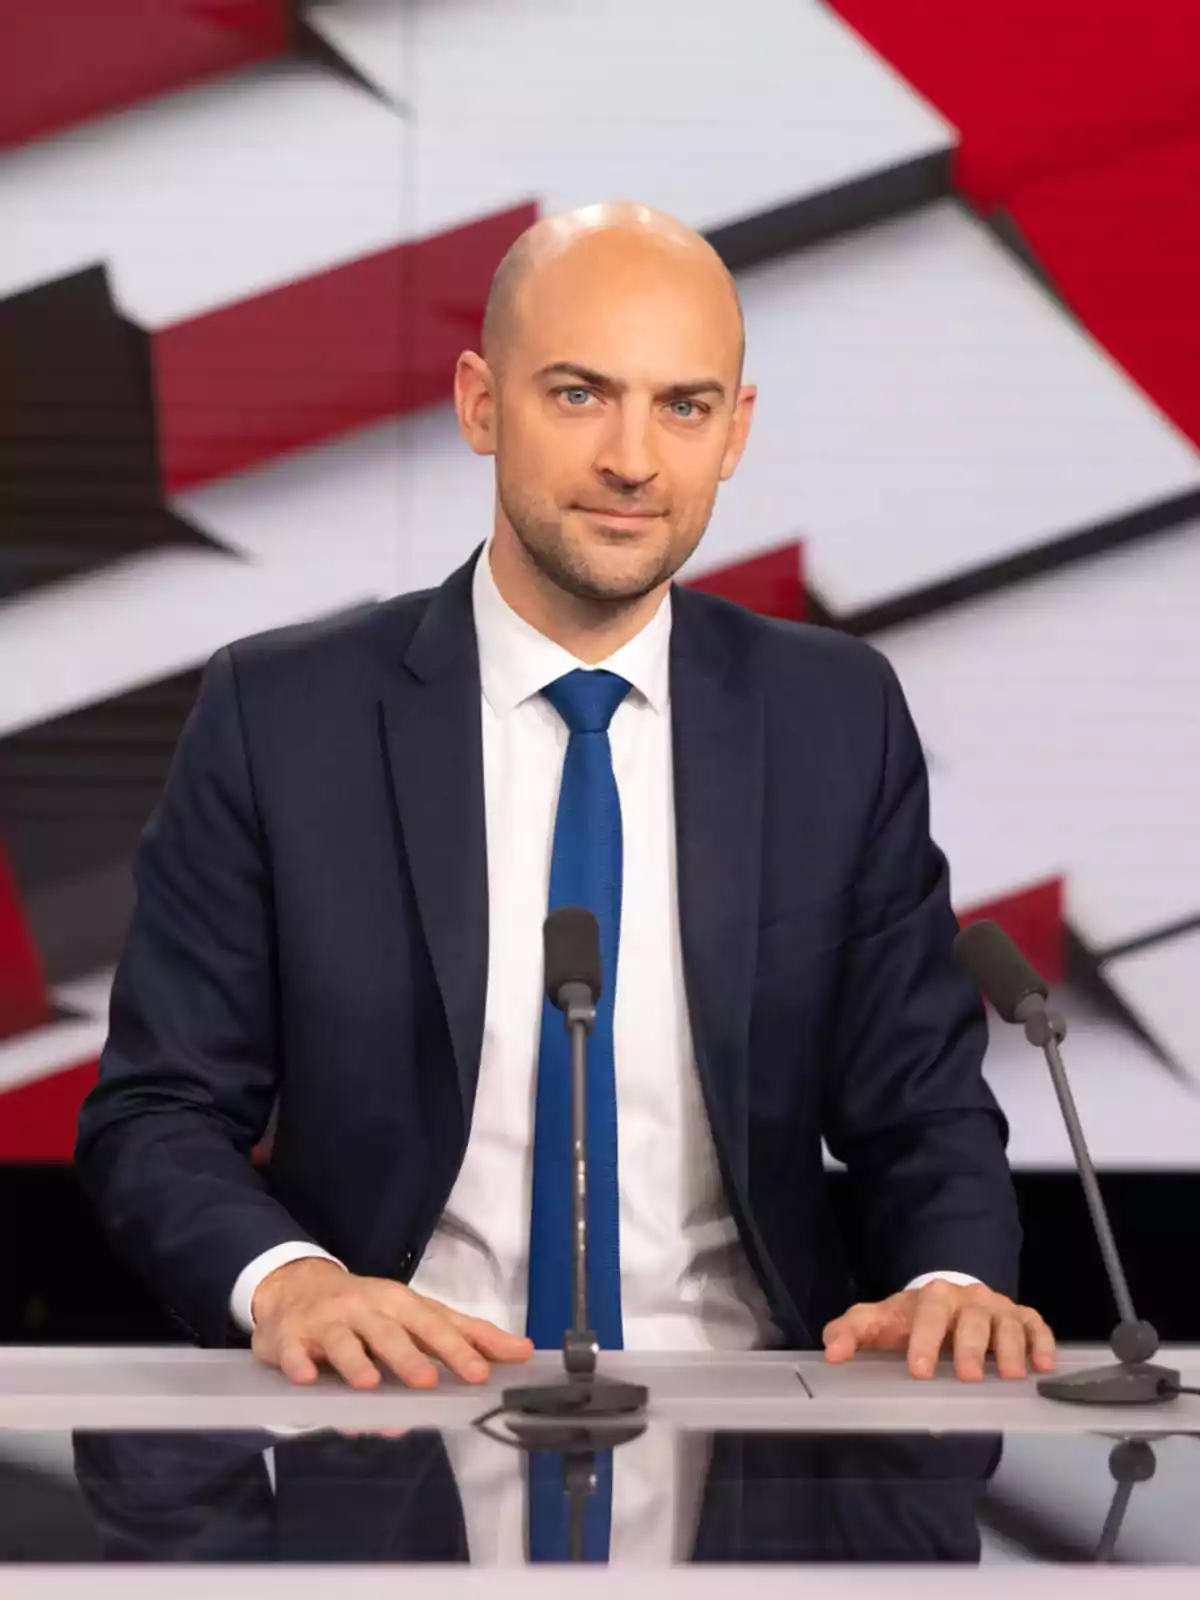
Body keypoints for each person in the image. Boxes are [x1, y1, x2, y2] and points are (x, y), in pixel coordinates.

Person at [75, 199, 1057, 1393]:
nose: (633, 460)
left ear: (735, 430)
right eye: (581, 394)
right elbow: (159, 1111)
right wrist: (293, 1281)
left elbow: (922, 1107)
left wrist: (948, 1284)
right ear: (481, 403)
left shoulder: (832, 718)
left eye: (683, 406)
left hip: (751, 1439)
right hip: (392, 1414)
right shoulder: (282, 718)